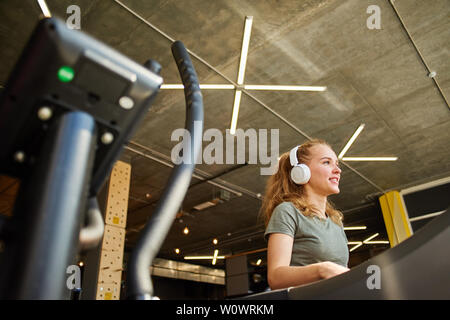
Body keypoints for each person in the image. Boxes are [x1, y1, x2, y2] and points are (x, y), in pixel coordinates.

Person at [260, 139, 350, 290]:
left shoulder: (336, 221)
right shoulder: (287, 211)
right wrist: (323, 269)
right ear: (301, 172)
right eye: (327, 162)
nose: (337, 170)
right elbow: (275, 277)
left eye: (337, 164)